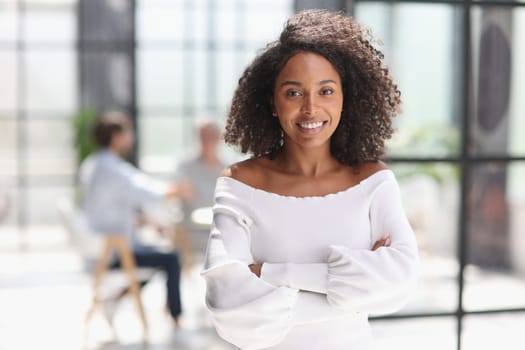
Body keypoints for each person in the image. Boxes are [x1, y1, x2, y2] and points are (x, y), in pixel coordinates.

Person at [201, 9, 419, 350]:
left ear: (346, 98)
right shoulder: (239, 183)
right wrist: (354, 294)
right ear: (273, 102)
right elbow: (228, 307)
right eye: (293, 93)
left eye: (326, 91)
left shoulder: (374, 181)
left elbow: (400, 283)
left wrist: (269, 274)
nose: (311, 108)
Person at [79, 111, 191, 326]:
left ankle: (117, 298)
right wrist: (176, 191)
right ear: (115, 136)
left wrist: (148, 222)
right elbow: (145, 190)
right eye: (127, 133)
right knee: (170, 259)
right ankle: (177, 319)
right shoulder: (112, 169)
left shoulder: (94, 164)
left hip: (105, 244)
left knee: (158, 256)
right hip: (113, 250)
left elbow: (113, 205)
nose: (131, 138)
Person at [174, 118, 227, 255]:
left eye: (209, 136)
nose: (205, 141)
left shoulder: (228, 168)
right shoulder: (185, 165)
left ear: (218, 138)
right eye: (201, 136)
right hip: (192, 231)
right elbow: (184, 193)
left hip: (222, 229)